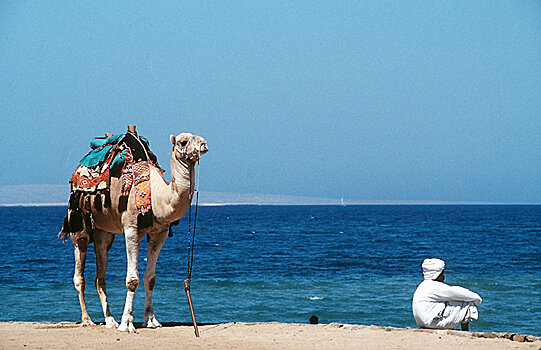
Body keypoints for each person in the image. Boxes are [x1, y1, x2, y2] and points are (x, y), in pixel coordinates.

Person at [412, 258, 482, 331]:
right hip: (432, 322)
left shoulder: (422, 285)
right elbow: (457, 293)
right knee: (467, 303)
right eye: (442, 273)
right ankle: (465, 331)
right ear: (437, 274)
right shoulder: (436, 286)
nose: (444, 277)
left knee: (452, 302)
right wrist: (477, 300)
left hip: (422, 322)